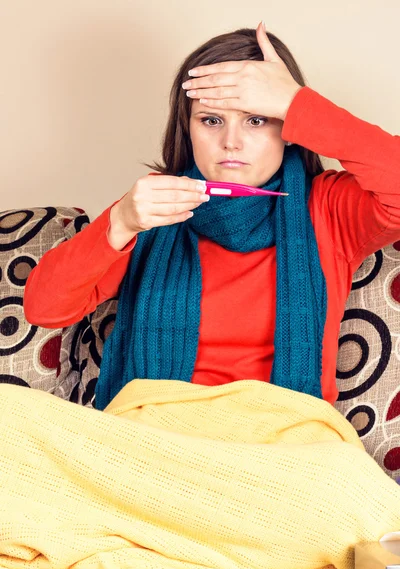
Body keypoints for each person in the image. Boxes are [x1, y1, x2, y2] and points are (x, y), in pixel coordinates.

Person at [24, 22, 400, 411]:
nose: (231, 141)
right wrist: (120, 222)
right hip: (153, 434)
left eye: (257, 119)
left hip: (283, 437)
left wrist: (297, 102)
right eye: (211, 120)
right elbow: (45, 309)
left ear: (288, 129)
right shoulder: (156, 203)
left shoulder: (328, 207)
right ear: (187, 129)